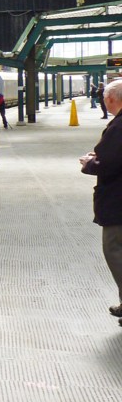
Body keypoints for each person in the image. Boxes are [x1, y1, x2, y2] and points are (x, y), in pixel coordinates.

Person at [80, 79, 122, 320]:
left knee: (114, 250)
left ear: (111, 99)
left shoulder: (118, 126)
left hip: (118, 201)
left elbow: (110, 164)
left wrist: (90, 163)